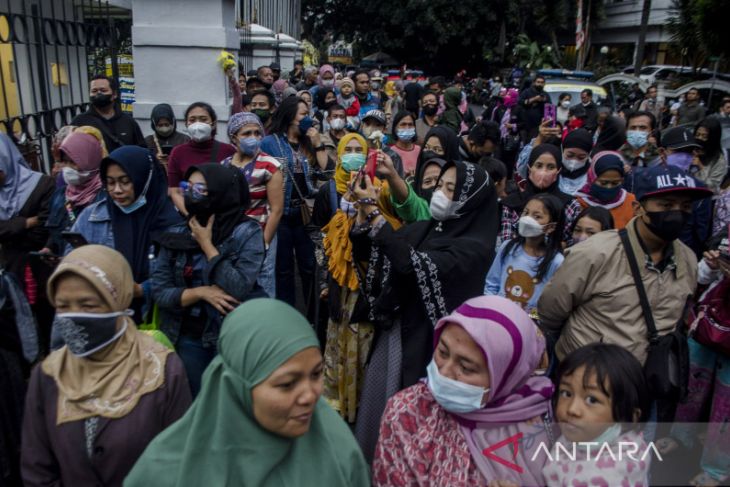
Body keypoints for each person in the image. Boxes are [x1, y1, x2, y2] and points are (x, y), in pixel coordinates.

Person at [124, 299, 370, 487]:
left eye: (316, 375)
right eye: (287, 384)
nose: (310, 396)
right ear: (236, 387)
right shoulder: (165, 473)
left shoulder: (337, 447)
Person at [349, 161, 498, 461]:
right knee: (383, 409)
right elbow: (380, 249)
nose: (440, 194)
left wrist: (375, 213)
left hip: (433, 349)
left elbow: (413, 265)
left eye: (451, 189)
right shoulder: (427, 227)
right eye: (440, 186)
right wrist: (365, 214)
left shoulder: (475, 248)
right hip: (398, 335)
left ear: (471, 199)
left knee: (418, 430)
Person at [21, 245, 191, 487]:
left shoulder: (163, 370)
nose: (74, 316)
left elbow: (178, 464)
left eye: (88, 306)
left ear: (118, 301)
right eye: (62, 306)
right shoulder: (48, 375)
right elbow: (37, 469)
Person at [538, 164, 712, 370]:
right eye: (666, 205)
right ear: (638, 208)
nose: (677, 213)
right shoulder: (595, 253)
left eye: (685, 207)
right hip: (584, 377)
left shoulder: (688, 260)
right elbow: (551, 311)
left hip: (644, 383)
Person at [372, 295, 554, 486]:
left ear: (507, 376)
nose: (445, 372)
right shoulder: (407, 412)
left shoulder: (543, 418)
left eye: (466, 368)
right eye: (442, 352)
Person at [153, 164, 266, 395]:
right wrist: (200, 292)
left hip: (231, 337)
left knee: (229, 407)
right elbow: (160, 292)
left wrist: (207, 245)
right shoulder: (177, 233)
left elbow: (239, 287)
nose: (192, 196)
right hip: (186, 337)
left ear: (222, 192)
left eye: (201, 189)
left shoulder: (247, 233)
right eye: (188, 188)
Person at [311, 133, 400, 423]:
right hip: (339, 286)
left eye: (357, 150)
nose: (352, 155)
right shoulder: (330, 192)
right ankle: (337, 409)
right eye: (346, 150)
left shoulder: (382, 190)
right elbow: (319, 237)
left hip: (368, 287)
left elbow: (394, 225)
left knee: (364, 348)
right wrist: (326, 280)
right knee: (336, 346)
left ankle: (363, 411)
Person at [70, 146, 182, 318]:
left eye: (125, 181)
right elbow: (70, 261)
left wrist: (142, 290)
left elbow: (180, 281)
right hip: (103, 316)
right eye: (110, 182)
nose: (117, 190)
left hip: (154, 320)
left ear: (144, 180)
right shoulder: (91, 217)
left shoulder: (172, 224)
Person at [656, 243, 730, 487]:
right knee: (691, 386)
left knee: (726, 407)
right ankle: (681, 436)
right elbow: (700, 277)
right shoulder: (727, 236)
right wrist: (711, 265)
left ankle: (716, 468)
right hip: (710, 326)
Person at [544, 343, 651, 487]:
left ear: (630, 417)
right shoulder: (587, 434)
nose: (572, 409)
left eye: (592, 400)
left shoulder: (607, 478)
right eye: (566, 393)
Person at [260, 97, 326, 308]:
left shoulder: (310, 142)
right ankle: (286, 313)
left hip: (306, 214)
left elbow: (327, 174)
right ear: (290, 116)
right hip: (281, 215)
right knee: (283, 268)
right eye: (303, 114)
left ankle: (313, 314)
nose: (308, 118)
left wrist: (318, 144)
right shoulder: (270, 143)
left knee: (310, 266)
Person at [222, 112, 284, 298]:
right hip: (231, 236)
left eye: (257, 133)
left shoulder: (270, 165)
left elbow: (276, 210)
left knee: (262, 284)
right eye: (247, 133)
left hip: (260, 234)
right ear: (234, 137)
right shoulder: (224, 165)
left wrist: (264, 244)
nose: (254, 138)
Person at [485, 192, 565, 316]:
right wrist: (491, 310)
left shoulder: (556, 261)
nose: (528, 219)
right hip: (498, 316)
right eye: (526, 213)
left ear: (550, 227)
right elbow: (492, 283)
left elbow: (551, 302)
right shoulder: (508, 247)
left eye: (537, 216)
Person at [0, 134, 55, 285]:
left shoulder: (42, 184)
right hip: (10, 269)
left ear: (7, 162)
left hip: (41, 264)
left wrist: (8, 232)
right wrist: (25, 223)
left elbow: (45, 228)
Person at [501, 144, 582, 244]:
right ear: (529, 168)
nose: (544, 172)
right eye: (538, 165)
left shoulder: (570, 205)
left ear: (558, 171)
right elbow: (506, 242)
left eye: (551, 167)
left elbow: (571, 243)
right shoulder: (511, 203)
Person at [166, 102, 236, 215]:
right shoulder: (177, 152)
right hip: (190, 215)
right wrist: (191, 217)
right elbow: (175, 191)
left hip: (222, 216)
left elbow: (234, 188)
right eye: (192, 120)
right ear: (186, 124)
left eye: (203, 119)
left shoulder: (229, 151)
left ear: (213, 123)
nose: (197, 124)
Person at [45, 128, 107, 254]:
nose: (67, 168)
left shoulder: (104, 197)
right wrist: (49, 248)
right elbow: (56, 233)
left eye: (73, 162)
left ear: (90, 160)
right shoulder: (60, 195)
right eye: (65, 161)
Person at [386, 126, 461, 224]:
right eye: (426, 148)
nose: (430, 153)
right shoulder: (412, 182)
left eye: (437, 150)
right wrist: (391, 174)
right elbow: (411, 204)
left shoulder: (460, 189)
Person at [71, 75, 145, 151]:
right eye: (94, 91)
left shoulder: (128, 121)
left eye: (103, 90)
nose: (98, 93)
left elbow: (141, 150)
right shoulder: (79, 122)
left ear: (114, 94)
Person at [574, 151, 637, 230]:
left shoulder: (631, 202)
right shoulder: (577, 203)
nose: (609, 187)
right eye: (603, 183)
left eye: (615, 183)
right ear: (592, 178)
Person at [144, 103, 190, 171]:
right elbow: (143, 164)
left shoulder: (184, 139)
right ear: (154, 125)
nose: (164, 128)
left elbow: (189, 161)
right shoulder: (148, 141)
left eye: (166, 124)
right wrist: (154, 159)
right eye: (160, 125)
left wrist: (173, 159)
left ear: (173, 122)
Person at [619, 111, 661, 182]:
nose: (637, 131)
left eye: (643, 128)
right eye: (633, 127)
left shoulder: (659, 160)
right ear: (626, 131)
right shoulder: (618, 158)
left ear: (651, 132)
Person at [694, 117, 728, 194]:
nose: (700, 138)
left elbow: (712, 186)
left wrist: (700, 166)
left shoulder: (719, 160)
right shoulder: (689, 151)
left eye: (704, 136)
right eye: (697, 134)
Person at [557, 128, 593, 195]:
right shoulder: (552, 167)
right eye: (570, 155)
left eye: (581, 157)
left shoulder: (591, 177)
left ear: (588, 155)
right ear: (562, 150)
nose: (574, 161)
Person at [389, 111, 421, 178]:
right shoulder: (390, 152)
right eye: (403, 124)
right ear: (395, 128)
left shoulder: (420, 150)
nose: (407, 128)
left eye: (410, 124)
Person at [518, 74, 548, 140]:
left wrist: (544, 101)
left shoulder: (545, 94)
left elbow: (549, 108)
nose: (540, 84)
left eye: (542, 82)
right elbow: (520, 102)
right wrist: (534, 99)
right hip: (525, 125)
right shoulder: (526, 92)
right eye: (538, 82)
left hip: (538, 125)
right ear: (534, 82)